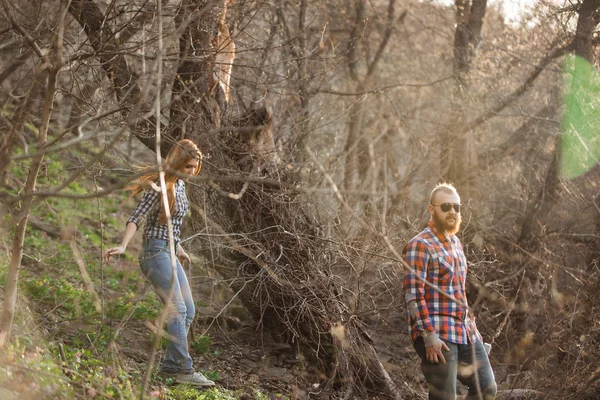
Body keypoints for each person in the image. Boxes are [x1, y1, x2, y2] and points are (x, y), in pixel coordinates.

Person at [104, 139, 215, 387]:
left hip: (170, 252)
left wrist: (180, 249)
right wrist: (122, 246)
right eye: (187, 166)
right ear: (177, 163)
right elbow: (137, 218)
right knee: (178, 309)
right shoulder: (160, 187)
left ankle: (171, 367)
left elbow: (170, 227)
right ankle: (183, 370)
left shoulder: (182, 188)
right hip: (155, 254)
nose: (191, 171)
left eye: (195, 167)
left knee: (189, 310)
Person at [403, 183, 497, 400]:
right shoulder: (420, 245)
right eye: (446, 206)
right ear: (432, 209)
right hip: (437, 334)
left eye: (456, 207)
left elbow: (458, 292)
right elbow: (413, 295)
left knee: (487, 389)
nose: (452, 211)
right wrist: (429, 336)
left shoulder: (456, 244)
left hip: (464, 331)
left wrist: (473, 328)